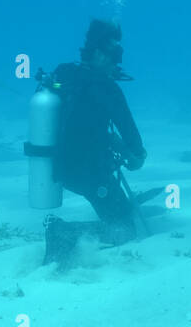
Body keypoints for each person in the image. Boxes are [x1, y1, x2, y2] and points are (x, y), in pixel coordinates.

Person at [43, 19, 149, 264]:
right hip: (89, 173)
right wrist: (137, 157)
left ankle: (117, 205)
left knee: (117, 208)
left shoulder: (64, 73)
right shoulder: (107, 88)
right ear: (100, 55)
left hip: (61, 168)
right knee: (125, 231)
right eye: (115, 57)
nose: (117, 64)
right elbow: (132, 137)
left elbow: (83, 123)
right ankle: (60, 231)